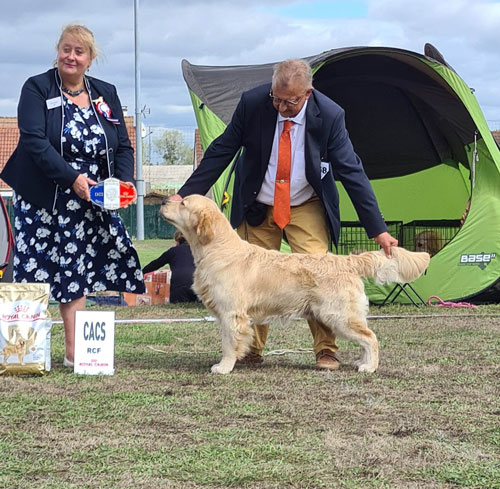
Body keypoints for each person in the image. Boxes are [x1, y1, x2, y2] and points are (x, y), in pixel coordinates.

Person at [169, 58, 398, 370]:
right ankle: (249, 350)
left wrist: (378, 230)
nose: (280, 107)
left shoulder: (329, 114)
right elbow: (221, 150)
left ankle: (326, 350)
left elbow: (352, 171)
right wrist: (184, 195)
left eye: (289, 101)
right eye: (276, 98)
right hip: (259, 203)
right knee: (249, 281)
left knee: (321, 276)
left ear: (307, 93)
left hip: (306, 203)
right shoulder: (253, 103)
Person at [0, 24, 145, 367]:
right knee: (32, 270)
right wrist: (73, 180)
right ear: (58, 51)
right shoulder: (37, 87)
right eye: (67, 49)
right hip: (43, 198)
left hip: (89, 201)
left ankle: (74, 353)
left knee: (75, 272)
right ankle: (23, 354)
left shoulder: (106, 92)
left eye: (79, 52)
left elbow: (122, 146)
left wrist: (121, 184)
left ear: (90, 60)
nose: (71, 57)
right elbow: (35, 141)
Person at [142, 231, 198, 303]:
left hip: (178, 287)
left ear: (177, 241)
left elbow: (155, 264)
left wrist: (141, 273)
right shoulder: (197, 251)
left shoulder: (172, 251)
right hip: (197, 285)